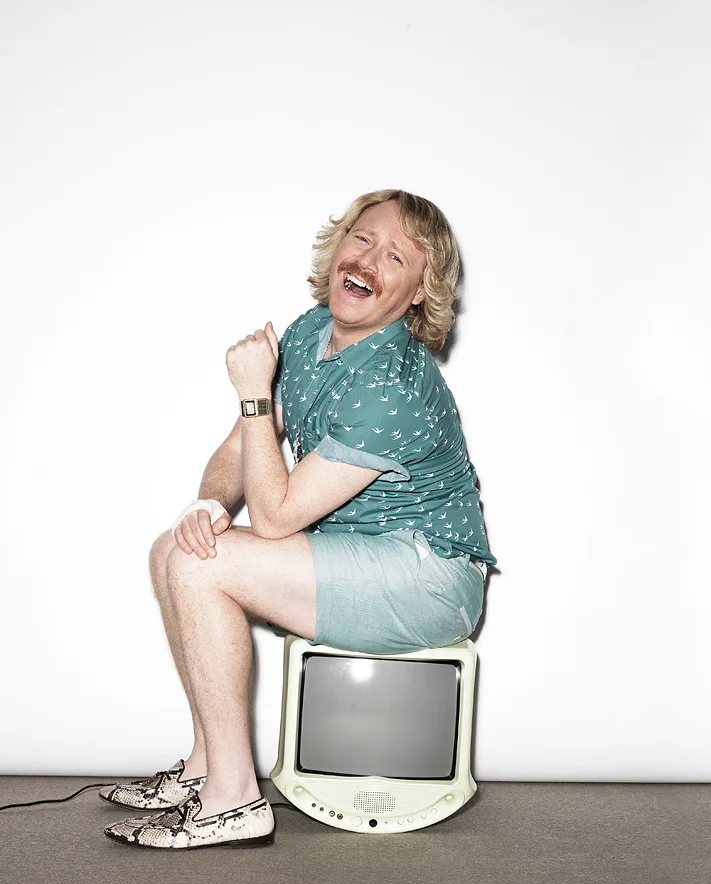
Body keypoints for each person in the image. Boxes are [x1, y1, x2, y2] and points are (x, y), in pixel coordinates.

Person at [100, 190, 496, 850]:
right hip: (362, 552)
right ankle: (205, 769)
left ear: (417, 296)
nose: (367, 259)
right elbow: (239, 448)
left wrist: (253, 392)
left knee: (202, 566)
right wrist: (206, 506)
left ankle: (233, 800)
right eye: (363, 239)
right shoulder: (312, 330)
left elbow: (276, 517)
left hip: (430, 574)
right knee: (171, 549)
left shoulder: (392, 383)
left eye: (395, 257)